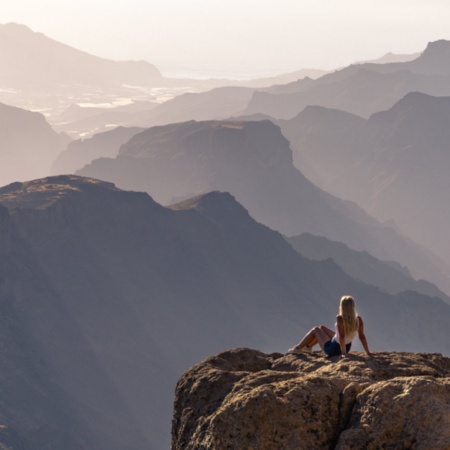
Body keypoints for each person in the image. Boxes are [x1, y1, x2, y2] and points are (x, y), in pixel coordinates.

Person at [287, 295, 372, 358]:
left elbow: (342, 336)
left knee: (316, 330)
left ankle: (298, 348)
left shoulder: (340, 318)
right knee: (322, 328)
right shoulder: (358, 319)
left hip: (333, 349)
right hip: (347, 346)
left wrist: (343, 354)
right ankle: (308, 347)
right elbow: (362, 337)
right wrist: (368, 352)